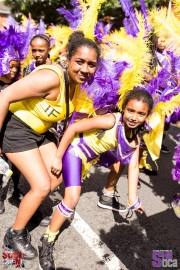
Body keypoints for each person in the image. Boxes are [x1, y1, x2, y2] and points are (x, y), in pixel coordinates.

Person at [0, 31, 100, 260]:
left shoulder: (76, 83)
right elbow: (3, 97)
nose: (85, 69)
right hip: (18, 130)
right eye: (80, 62)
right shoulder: (51, 77)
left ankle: (29, 205)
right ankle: (14, 234)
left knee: (59, 173)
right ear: (68, 58)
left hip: (40, 132)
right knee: (43, 186)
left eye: (91, 64)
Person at [38, 89, 153, 270]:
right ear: (124, 109)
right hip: (76, 150)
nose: (134, 117)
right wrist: (58, 157)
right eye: (130, 110)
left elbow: (133, 166)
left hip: (94, 154)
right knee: (72, 198)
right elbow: (74, 128)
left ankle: (107, 196)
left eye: (141, 114)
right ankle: (47, 239)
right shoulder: (111, 120)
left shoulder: (137, 136)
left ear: (147, 115)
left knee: (117, 165)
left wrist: (133, 199)